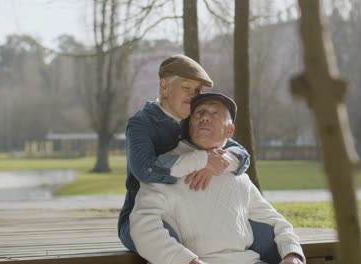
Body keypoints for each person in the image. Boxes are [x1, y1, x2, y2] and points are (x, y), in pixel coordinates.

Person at [118, 54, 281, 263]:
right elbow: (145, 170)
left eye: (197, 90)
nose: (193, 95)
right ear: (164, 86)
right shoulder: (140, 122)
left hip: (190, 214)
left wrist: (216, 164)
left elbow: (240, 153)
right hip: (143, 215)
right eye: (187, 87)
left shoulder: (192, 117)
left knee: (267, 237)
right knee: (165, 245)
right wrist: (202, 159)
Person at [130, 93, 306, 264]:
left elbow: (276, 222)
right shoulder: (168, 170)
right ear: (190, 124)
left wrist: (293, 254)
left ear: (229, 130)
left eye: (215, 113)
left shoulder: (238, 176)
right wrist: (187, 261)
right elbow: (143, 226)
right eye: (199, 112)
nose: (205, 117)